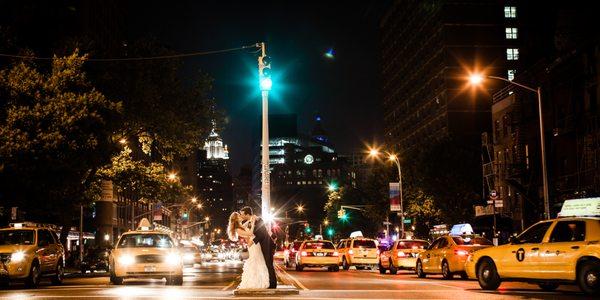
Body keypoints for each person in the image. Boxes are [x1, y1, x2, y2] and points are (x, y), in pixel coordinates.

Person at [227, 211, 269, 289]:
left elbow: (248, 222)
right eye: (239, 216)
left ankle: (259, 281)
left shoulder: (241, 226)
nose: (241, 217)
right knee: (256, 261)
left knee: (258, 260)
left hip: (254, 244)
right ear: (236, 219)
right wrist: (253, 222)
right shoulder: (237, 229)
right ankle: (255, 283)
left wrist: (252, 219)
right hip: (253, 245)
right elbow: (250, 233)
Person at [239, 206, 277, 289]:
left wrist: (252, 242)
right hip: (262, 246)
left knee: (269, 264)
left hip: (267, 245)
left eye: (242, 214)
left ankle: (273, 284)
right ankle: (270, 282)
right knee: (266, 264)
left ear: (247, 214)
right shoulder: (250, 221)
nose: (241, 216)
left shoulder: (259, 220)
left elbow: (261, 234)